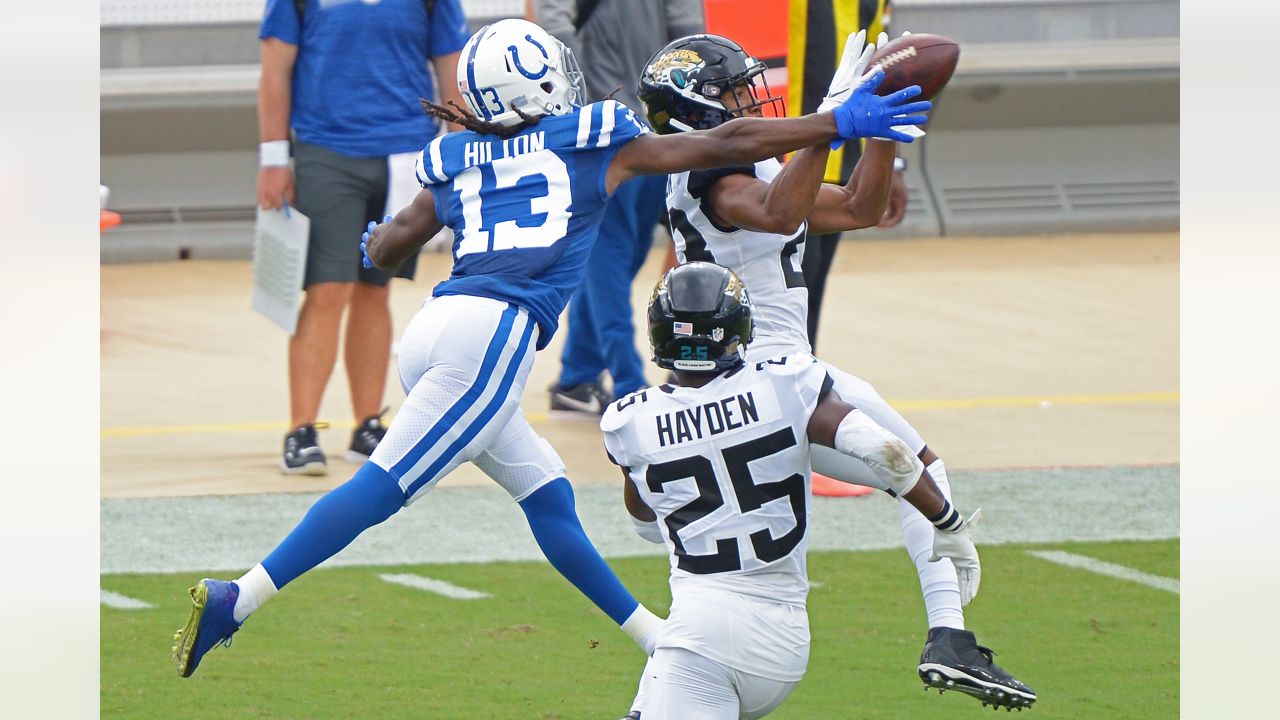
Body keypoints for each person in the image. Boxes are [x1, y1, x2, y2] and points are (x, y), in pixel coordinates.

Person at [172, 18, 932, 680]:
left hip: (437, 330)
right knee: (383, 488)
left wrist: (376, 238)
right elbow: (726, 140)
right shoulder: (590, 137)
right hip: (494, 337)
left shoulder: (456, 155)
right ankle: (240, 599)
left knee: (548, 497)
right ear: (540, 84)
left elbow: (389, 244)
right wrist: (835, 124)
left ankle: (659, 640)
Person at [631, 31, 1036, 711]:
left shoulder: (741, 166)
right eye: (733, 91)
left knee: (921, 469)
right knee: (919, 473)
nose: (748, 98)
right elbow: (778, 211)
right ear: (698, 110)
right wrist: (836, 120)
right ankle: (947, 636)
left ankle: (951, 640)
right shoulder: (708, 175)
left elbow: (858, 208)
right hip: (762, 373)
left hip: (785, 365)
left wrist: (883, 131)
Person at [603, 261, 984, 719]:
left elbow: (646, 526)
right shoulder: (786, 384)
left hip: (704, 636)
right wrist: (946, 520)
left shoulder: (627, 424)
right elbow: (889, 451)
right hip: (785, 638)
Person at [256, 0, 471, 475]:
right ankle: (302, 428)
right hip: (327, 150)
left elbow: (449, 66)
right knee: (328, 289)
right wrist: (273, 158)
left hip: (404, 154)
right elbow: (275, 68)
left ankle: (367, 425)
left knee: (376, 290)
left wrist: (456, 148)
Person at [534, 0, 707, 418]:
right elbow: (691, 42)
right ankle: (627, 383)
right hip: (627, 135)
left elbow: (688, 36)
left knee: (614, 263)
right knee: (611, 264)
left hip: (627, 133)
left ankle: (578, 375)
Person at [789, 0, 908, 351]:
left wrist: (893, 162)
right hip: (772, 170)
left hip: (840, 166)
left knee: (807, 300)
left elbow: (883, 70)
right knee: (780, 299)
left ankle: (801, 387)